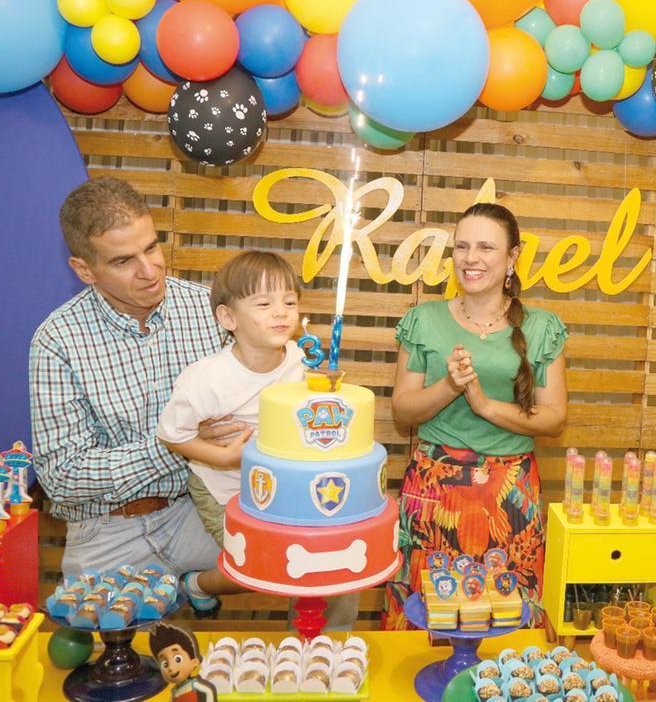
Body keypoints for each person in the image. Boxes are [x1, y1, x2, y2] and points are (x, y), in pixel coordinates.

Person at [30, 177, 249, 613]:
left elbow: (244, 416)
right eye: (123, 261)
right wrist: (177, 443)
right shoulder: (57, 340)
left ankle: (200, 586)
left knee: (301, 561)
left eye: (151, 247)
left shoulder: (210, 311)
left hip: (197, 512)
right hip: (105, 533)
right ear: (84, 270)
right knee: (99, 664)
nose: (149, 270)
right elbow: (62, 477)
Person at [383, 203, 569, 628]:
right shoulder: (423, 320)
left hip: (510, 494)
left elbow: (554, 418)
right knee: (425, 612)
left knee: (503, 617)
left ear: (512, 256)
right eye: (462, 246)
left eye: (486, 247)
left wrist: (484, 404)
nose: (471, 258)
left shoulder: (542, 327)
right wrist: (450, 387)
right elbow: (402, 410)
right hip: (433, 488)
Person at [155, 249, 357, 628]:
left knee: (318, 563)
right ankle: (198, 584)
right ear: (228, 317)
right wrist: (225, 459)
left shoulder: (303, 364)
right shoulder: (207, 378)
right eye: (264, 303)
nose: (281, 312)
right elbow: (171, 436)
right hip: (224, 485)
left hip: (286, 487)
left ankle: (323, 647)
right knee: (259, 564)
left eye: (289, 301)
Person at [150, 622, 218, 702]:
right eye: (165, 664)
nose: (171, 667)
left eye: (177, 659)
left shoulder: (194, 685)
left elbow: (209, 691)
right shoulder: (175, 691)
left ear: (194, 662)